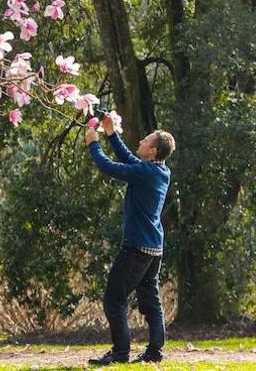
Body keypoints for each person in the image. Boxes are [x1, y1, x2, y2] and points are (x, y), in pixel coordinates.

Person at [84, 115, 175, 366]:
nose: (141, 141)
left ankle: (120, 353)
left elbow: (109, 167)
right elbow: (129, 160)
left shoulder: (146, 172)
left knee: (114, 298)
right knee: (150, 299)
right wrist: (111, 134)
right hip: (153, 247)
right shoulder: (159, 170)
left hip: (136, 247)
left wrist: (94, 142)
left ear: (153, 150)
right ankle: (154, 352)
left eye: (145, 140)